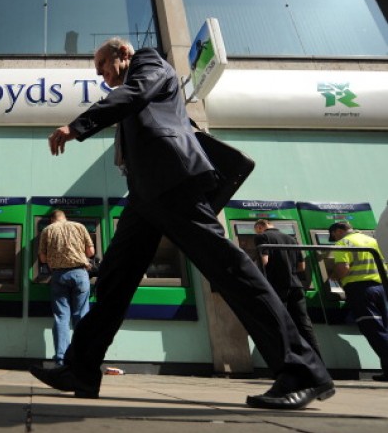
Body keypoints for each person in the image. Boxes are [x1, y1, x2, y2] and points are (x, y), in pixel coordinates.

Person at [30, 37, 334, 409]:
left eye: (102, 66)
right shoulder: (130, 87)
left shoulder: (148, 64)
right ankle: (81, 368)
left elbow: (134, 95)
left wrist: (77, 127)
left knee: (230, 270)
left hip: (173, 183)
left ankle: (303, 371)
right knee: (113, 280)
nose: (102, 76)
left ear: (121, 54)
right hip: (145, 196)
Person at [328, 221, 388, 381]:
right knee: (384, 329)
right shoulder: (373, 240)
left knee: (374, 331)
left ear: (338, 231)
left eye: (333, 236)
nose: (334, 239)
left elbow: (343, 268)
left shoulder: (344, 242)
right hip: (382, 287)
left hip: (361, 290)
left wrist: (333, 275)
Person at [254, 219, 322, 357]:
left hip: (276, 286)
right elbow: (301, 267)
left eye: (256, 230)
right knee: (304, 324)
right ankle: (317, 361)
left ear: (260, 227)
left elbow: (264, 261)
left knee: (279, 323)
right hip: (295, 285)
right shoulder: (291, 239)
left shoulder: (262, 237)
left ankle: (287, 361)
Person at [39, 209, 95, 366]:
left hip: (59, 276)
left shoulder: (47, 230)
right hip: (79, 273)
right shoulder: (79, 226)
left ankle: (61, 358)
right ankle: (81, 357)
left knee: (61, 317)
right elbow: (91, 252)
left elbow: (43, 258)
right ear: (65, 218)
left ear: (52, 220)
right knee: (81, 316)